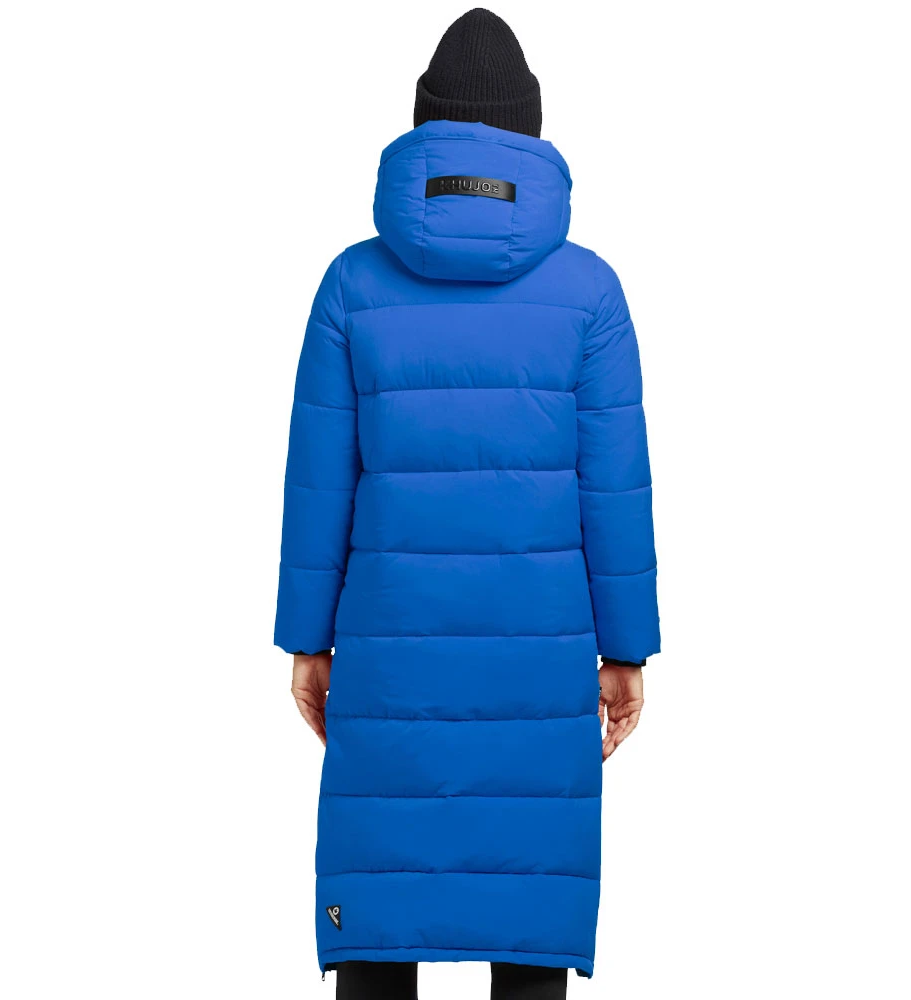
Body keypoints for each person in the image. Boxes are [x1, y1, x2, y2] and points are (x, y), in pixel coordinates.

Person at [275, 9, 660, 998]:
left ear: (422, 133)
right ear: (531, 136)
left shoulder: (352, 283)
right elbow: (616, 489)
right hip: (541, 654)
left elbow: (318, 479)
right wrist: (627, 651)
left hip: (388, 651)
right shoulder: (590, 292)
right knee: (528, 899)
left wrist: (306, 641)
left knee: (381, 899)